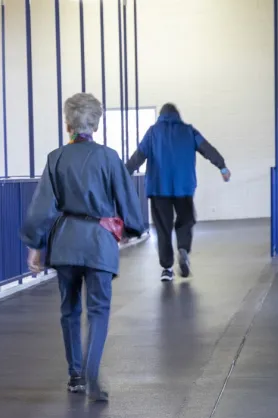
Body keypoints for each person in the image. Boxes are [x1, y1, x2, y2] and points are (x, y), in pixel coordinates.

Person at [21, 93, 147, 401]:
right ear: (97, 124)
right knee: (99, 310)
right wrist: (131, 228)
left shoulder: (56, 158)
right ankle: (92, 368)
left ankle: (75, 375)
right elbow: (127, 201)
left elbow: (42, 208)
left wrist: (36, 244)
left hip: (65, 243)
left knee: (69, 309)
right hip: (100, 243)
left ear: (68, 125)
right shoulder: (109, 157)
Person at [126, 103, 230, 282]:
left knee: (163, 228)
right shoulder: (188, 131)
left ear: (161, 115)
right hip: (184, 188)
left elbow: (138, 156)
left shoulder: (153, 132)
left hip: (159, 189)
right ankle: (183, 248)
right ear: (177, 115)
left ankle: (167, 268)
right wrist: (222, 166)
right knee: (186, 221)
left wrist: (122, 174)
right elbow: (207, 149)